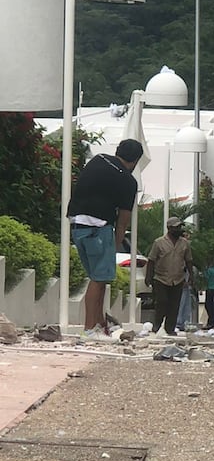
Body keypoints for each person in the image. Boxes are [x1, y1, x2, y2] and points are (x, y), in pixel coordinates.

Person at [67, 138, 143, 337]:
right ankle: (90, 328)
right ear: (136, 160)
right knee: (98, 280)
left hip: (76, 225)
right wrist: (116, 244)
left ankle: (100, 323)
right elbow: (123, 219)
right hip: (98, 227)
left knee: (97, 278)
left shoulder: (98, 159)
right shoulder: (128, 181)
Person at [145, 217, 194, 335]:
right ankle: (157, 325)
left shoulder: (185, 244)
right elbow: (151, 260)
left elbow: (189, 261)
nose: (179, 229)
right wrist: (148, 276)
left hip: (178, 279)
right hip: (161, 278)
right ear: (169, 228)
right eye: (176, 227)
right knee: (161, 302)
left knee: (174, 305)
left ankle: (170, 329)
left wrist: (191, 276)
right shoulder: (159, 242)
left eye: (180, 227)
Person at [203, 262, 214, 328]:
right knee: (212, 305)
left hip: (209, 288)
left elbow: (205, 279)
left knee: (208, 305)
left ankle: (211, 322)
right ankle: (212, 321)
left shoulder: (208, 270)